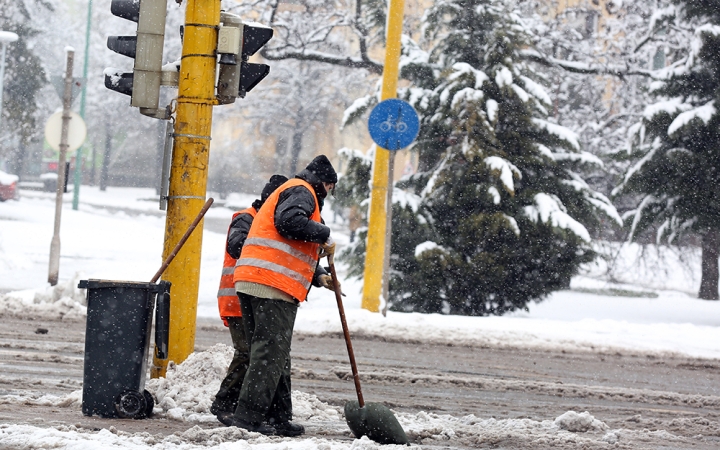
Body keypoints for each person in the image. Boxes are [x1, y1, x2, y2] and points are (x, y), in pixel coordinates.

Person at [222, 155, 338, 436]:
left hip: (255, 282)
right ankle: (247, 418)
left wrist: (319, 274)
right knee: (268, 355)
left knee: (275, 354)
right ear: (326, 183)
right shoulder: (302, 190)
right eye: (331, 188)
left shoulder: (295, 191)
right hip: (271, 285)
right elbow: (289, 223)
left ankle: (278, 417)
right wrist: (324, 233)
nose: (330, 194)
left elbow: (286, 244)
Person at [210, 175, 289, 419]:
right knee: (247, 354)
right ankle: (224, 403)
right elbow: (237, 246)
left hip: (259, 298)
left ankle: (262, 408)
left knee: (264, 356)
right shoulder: (246, 218)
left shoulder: (269, 224)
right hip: (238, 298)